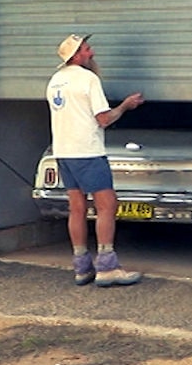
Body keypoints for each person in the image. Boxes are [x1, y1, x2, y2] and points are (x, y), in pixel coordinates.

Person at [46, 33, 145, 287]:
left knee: (77, 207)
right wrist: (125, 106)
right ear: (77, 55)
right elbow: (104, 119)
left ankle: (81, 266)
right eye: (88, 49)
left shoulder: (55, 81)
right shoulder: (88, 79)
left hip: (63, 151)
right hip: (87, 152)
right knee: (107, 205)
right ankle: (107, 266)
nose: (92, 53)